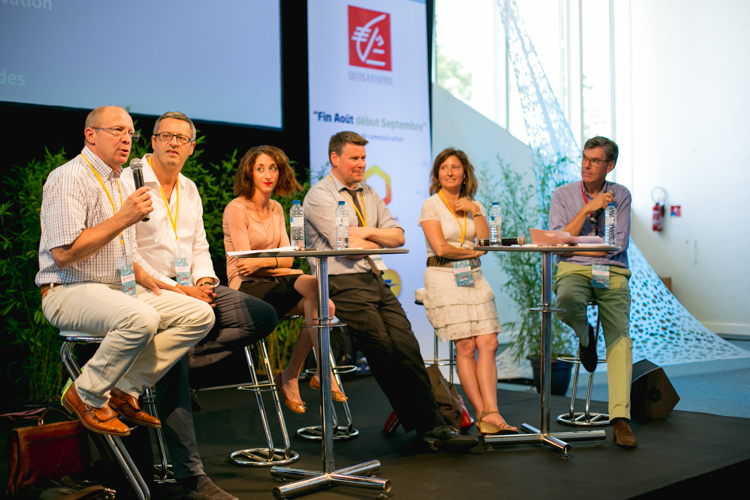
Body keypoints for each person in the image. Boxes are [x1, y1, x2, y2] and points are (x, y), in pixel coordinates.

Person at [121, 111, 278, 500]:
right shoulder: (130, 181)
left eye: (182, 139)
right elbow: (126, 255)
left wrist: (205, 280)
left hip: (192, 289)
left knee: (260, 315)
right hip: (150, 292)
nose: (174, 143)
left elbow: (198, 246)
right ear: (153, 141)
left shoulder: (189, 188)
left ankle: (173, 357)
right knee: (172, 355)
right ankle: (192, 479)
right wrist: (180, 291)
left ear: (192, 148)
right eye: (167, 136)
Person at [36, 106, 215, 439]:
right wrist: (124, 217)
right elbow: (63, 254)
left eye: (130, 133)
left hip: (117, 288)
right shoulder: (69, 177)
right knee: (141, 318)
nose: (126, 139)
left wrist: (176, 289)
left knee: (199, 314)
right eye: (116, 130)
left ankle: (123, 388)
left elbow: (131, 258)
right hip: (68, 290)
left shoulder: (120, 181)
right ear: (90, 135)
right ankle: (85, 393)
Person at [303, 131, 478, 452]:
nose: (361, 164)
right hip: (340, 282)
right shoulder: (320, 195)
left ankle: (433, 423)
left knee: (408, 346)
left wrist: (364, 232)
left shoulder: (368, 192)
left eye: (363, 158)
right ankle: (430, 426)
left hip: (373, 277)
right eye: (354, 158)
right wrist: (370, 236)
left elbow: (398, 236)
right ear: (335, 158)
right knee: (383, 348)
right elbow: (348, 247)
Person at [223, 145, 342, 415]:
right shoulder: (236, 209)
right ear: (249, 173)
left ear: (281, 172)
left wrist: (266, 261)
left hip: (275, 279)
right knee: (322, 303)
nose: (268, 174)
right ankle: (316, 373)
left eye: (273, 168)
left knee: (323, 298)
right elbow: (244, 265)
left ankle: (295, 374)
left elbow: (288, 259)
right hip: (245, 287)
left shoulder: (277, 208)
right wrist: (275, 261)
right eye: (260, 168)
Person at [418, 148, 517, 436]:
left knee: (488, 342)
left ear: (465, 173)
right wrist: (471, 251)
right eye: (444, 167)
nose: (449, 172)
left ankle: (492, 411)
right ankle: (481, 412)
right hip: (443, 274)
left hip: (473, 276)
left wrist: (476, 212)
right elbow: (441, 248)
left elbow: (486, 243)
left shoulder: (476, 205)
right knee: (467, 346)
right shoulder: (431, 205)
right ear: (437, 174)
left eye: (455, 167)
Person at [549, 136, 637, 449]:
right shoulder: (563, 194)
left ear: (609, 165)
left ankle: (620, 419)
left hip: (611, 270)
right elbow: (559, 239)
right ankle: (586, 336)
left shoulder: (622, 195)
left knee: (619, 338)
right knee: (566, 301)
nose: (587, 165)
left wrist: (580, 246)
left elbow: (620, 244)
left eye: (595, 161)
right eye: (585, 159)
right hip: (572, 269)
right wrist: (588, 208)